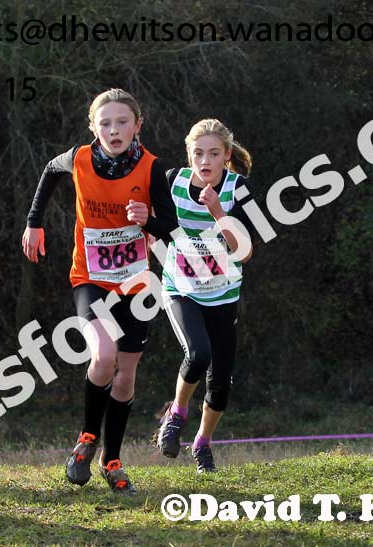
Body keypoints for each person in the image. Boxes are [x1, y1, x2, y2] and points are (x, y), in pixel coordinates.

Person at [22, 89, 177, 494]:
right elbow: (50, 171)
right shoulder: (78, 159)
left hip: (136, 284)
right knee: (103, 356)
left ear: (137, 125)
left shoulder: (151, 167)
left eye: (122, 122)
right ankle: (87, 439)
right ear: (93, 127)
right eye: (105, 123)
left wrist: (148, 221)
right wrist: (34, 222)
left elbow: (171, 227)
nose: (114, 130)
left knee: (126, 375)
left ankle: (112, 461)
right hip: (89, 278)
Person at [155, 119, 255, 473]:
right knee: (198, 354)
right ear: (189, 155)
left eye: (213, 154)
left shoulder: (238, 189)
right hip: (181, 289)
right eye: (198, 153)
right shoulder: (172, 181)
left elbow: (244, 252)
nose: (205, 161)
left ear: (226, 156)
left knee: (221, 383)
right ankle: (176, 415)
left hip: (223, 294)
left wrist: (218, 212)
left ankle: (202, 444)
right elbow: (155, 226)